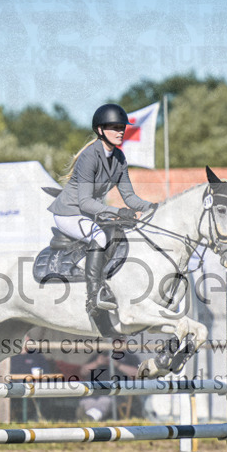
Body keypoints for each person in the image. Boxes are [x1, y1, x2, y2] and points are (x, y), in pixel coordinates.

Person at [48, 103, 156, 313]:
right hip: (69, 212)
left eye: (121, 127)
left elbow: (130, 197)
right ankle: (94, 296)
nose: (120, 131)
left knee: (120, 234)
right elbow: (85, 202)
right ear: (100, 130)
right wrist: (117, 212)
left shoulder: (119, 158)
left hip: (88, 213)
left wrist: (152, 206)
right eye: (114, 127)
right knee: (99, 237)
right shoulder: (90, 157)